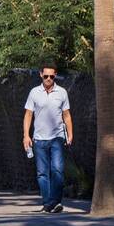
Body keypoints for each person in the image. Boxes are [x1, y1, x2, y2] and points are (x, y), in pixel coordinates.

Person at [23, 62, 73, 213]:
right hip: (39, 139)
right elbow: (28, 115)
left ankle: (54, 202)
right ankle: (48, 203)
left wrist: (70, 134)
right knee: (42, 173)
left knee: (57, 170)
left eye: (52, 76)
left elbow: (67, 115)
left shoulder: (62, 92)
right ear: (41, 75)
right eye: (46, 76)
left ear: (55, 75)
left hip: (57, 137)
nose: (49, 78)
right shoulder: (34, 92)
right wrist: (26, 136)